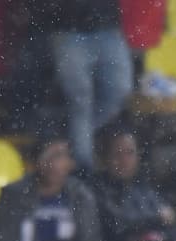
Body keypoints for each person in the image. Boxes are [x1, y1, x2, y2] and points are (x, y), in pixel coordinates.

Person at [0, 136, 102, 241]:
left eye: (60, 156)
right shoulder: (13, 196)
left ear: (70, 164)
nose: (54, 163)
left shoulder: (82, 196)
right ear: (36, 162)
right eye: (48, 156)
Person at [31, 0, 132, 169]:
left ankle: (73, 139)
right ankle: (83, 169)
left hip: (108, 27)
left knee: (119, 92)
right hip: (68, 29)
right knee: (80, 102)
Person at [89, 125, 176, 241]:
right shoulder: (96, 189)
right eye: (117, 154)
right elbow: (117, 225)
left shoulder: (144, 186)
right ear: (104, 158)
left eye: (129, 153)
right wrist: (156, 219)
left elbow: (170, 222)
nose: (124, 160)